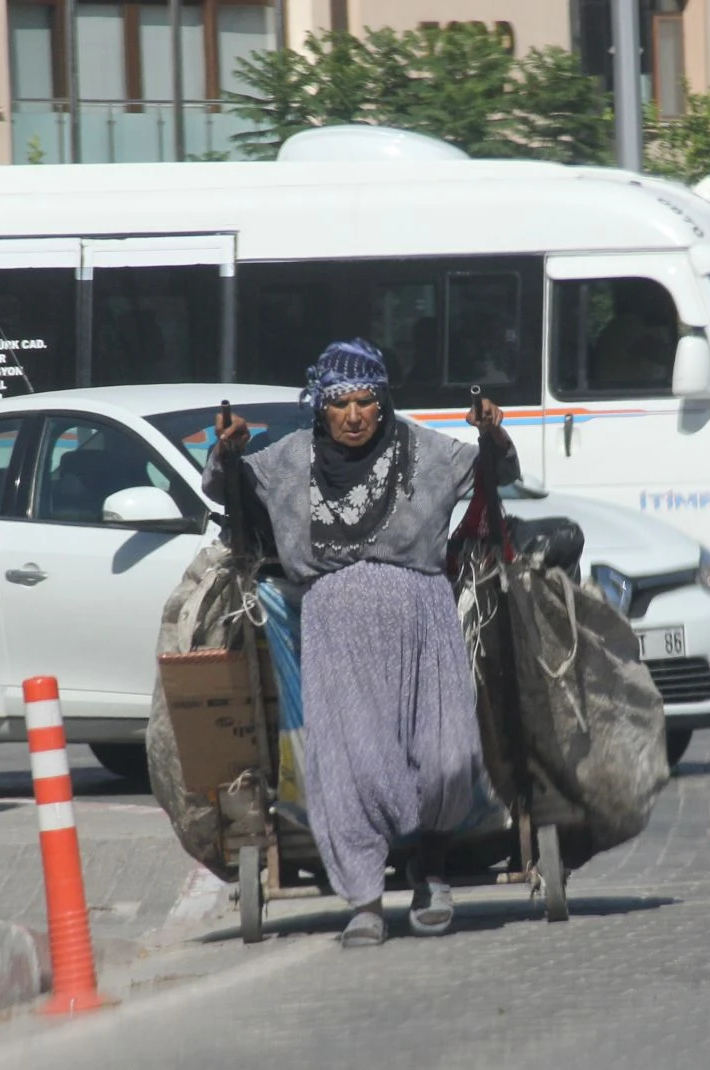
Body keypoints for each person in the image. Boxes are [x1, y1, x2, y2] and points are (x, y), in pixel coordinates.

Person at [203, 338, 520, 948]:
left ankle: (430, 871)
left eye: (365, 402)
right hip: (335, 629)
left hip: (424, 620)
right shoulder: (289, 459)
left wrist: (492, 433)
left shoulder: (426, 450)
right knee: (352, 765)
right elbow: (229, 490)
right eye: (339, 403)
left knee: (447, 753)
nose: (353, 416)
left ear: (383, 402)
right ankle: (365, 900)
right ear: (319, 406)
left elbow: (497, 472)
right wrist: (228, 450)